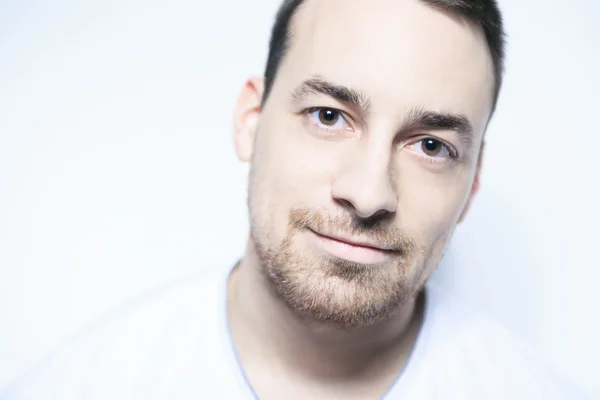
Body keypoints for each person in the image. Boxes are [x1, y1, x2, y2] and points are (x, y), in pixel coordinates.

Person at [1, 0, 586, 399]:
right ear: (250, 123)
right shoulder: (78, 386)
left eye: (430, 145)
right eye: (329, 116)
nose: (368, 193)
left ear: (472, 184)